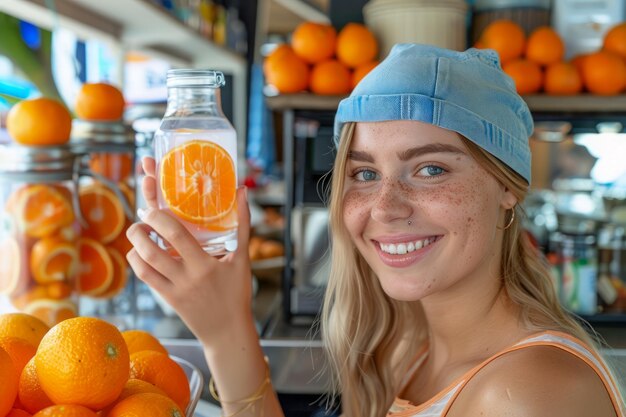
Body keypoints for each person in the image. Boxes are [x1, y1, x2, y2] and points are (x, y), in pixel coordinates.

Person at [126, 44, 625, 417]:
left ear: (507, 187)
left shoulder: (532, 395)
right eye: (364, 174)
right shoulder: (406, 343)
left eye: (430, 169)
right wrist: (223, 328)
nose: (384, 209)